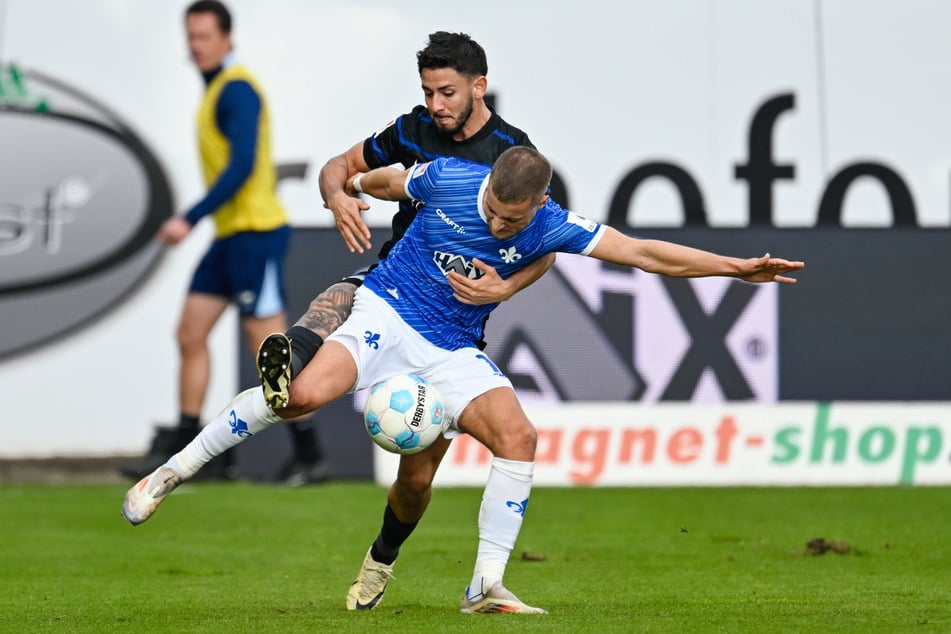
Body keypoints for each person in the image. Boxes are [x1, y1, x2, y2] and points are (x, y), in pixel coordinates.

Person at [122, 146, 804, 614]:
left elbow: (642, 252)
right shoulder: (446, 179)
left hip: (450, 351)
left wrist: (732, 267)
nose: (502, 225)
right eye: (497, 215)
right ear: (486, 189)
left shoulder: (551, 223)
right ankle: (170, 475)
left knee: (516, 437)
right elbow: (380, 182)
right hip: (384, 312)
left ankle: (484, 586)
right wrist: (344, 190)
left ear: (537, 203)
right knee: (297, 397)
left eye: (515, 220)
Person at [253, 31, 555, 609]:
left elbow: (546, 244)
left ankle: (380, 561)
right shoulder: (412, 130)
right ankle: (287, 360)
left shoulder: (515, 157)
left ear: (478, 86)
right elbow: (339, 167)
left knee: (415, 481)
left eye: (446, 92)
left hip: (447, 331)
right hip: (389, 287)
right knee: (332, 305)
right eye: (428, 91)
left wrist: (507, 284)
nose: (436, 105)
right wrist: (336, 196)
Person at [119, 0, 329, 486]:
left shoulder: (237, 90)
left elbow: (241, 168)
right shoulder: (215, 91)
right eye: (190, 37)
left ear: (227, 39)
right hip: (228, 238)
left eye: (205, 37)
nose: (196, 46)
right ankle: (192, 448)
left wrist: (187, 218)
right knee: (190, 335)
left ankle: (311, 455)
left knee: (271, 353)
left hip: (255, 234)